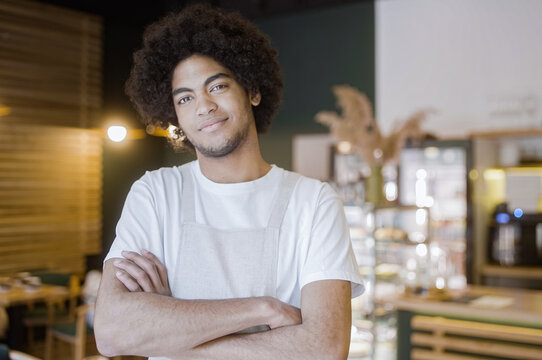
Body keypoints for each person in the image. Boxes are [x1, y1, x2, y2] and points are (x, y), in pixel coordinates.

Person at [93, 4, 364, 360]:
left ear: (252, 90)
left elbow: (325, 348)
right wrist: (261, 309)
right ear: (174, 114)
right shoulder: (155, 194)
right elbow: (112, 334)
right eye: (185, 98)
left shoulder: (313, 202)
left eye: (217, 86)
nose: (203, 106)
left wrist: (174, 332)